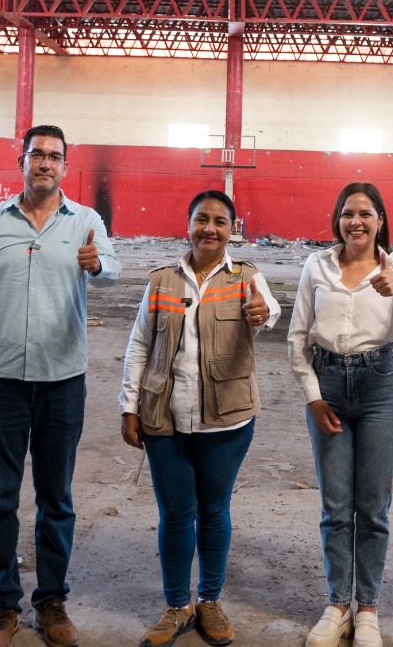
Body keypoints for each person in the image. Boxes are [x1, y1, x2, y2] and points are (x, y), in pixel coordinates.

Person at [0, 126, 120, 647]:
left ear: (66, 167)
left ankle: (51, 602)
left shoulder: (86, 223)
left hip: (62, 383)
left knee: (56, 498)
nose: (45, 163)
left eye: (54, 157)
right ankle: (2, 608)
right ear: (21, 161)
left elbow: (111, 269)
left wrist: (99, 265)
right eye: (36, 155)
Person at [118, 190, 279, 647]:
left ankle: (209, 600)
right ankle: (176, 606)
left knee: (213, 511)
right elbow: (138, 346)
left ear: (233, 228)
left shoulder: (247, 277)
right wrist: (129, 407)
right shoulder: (161, 281)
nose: (210, 228)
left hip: (227, 422)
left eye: (220, 221)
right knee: (174, 514)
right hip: (163, 419)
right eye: (202, 219)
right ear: (187, 224)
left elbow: (269, 312)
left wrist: (262, 312)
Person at [288, 183, 393, 647]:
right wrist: (313, 396)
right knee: (335, 507)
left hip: (380, 387)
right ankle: (337, 606)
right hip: (327, 386)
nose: (356, 222)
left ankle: (367, 609)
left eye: (366, 214)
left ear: (380, 220)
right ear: (337, 219)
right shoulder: (317, 265)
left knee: (372, 507)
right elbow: (297, 337)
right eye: (348, 214)